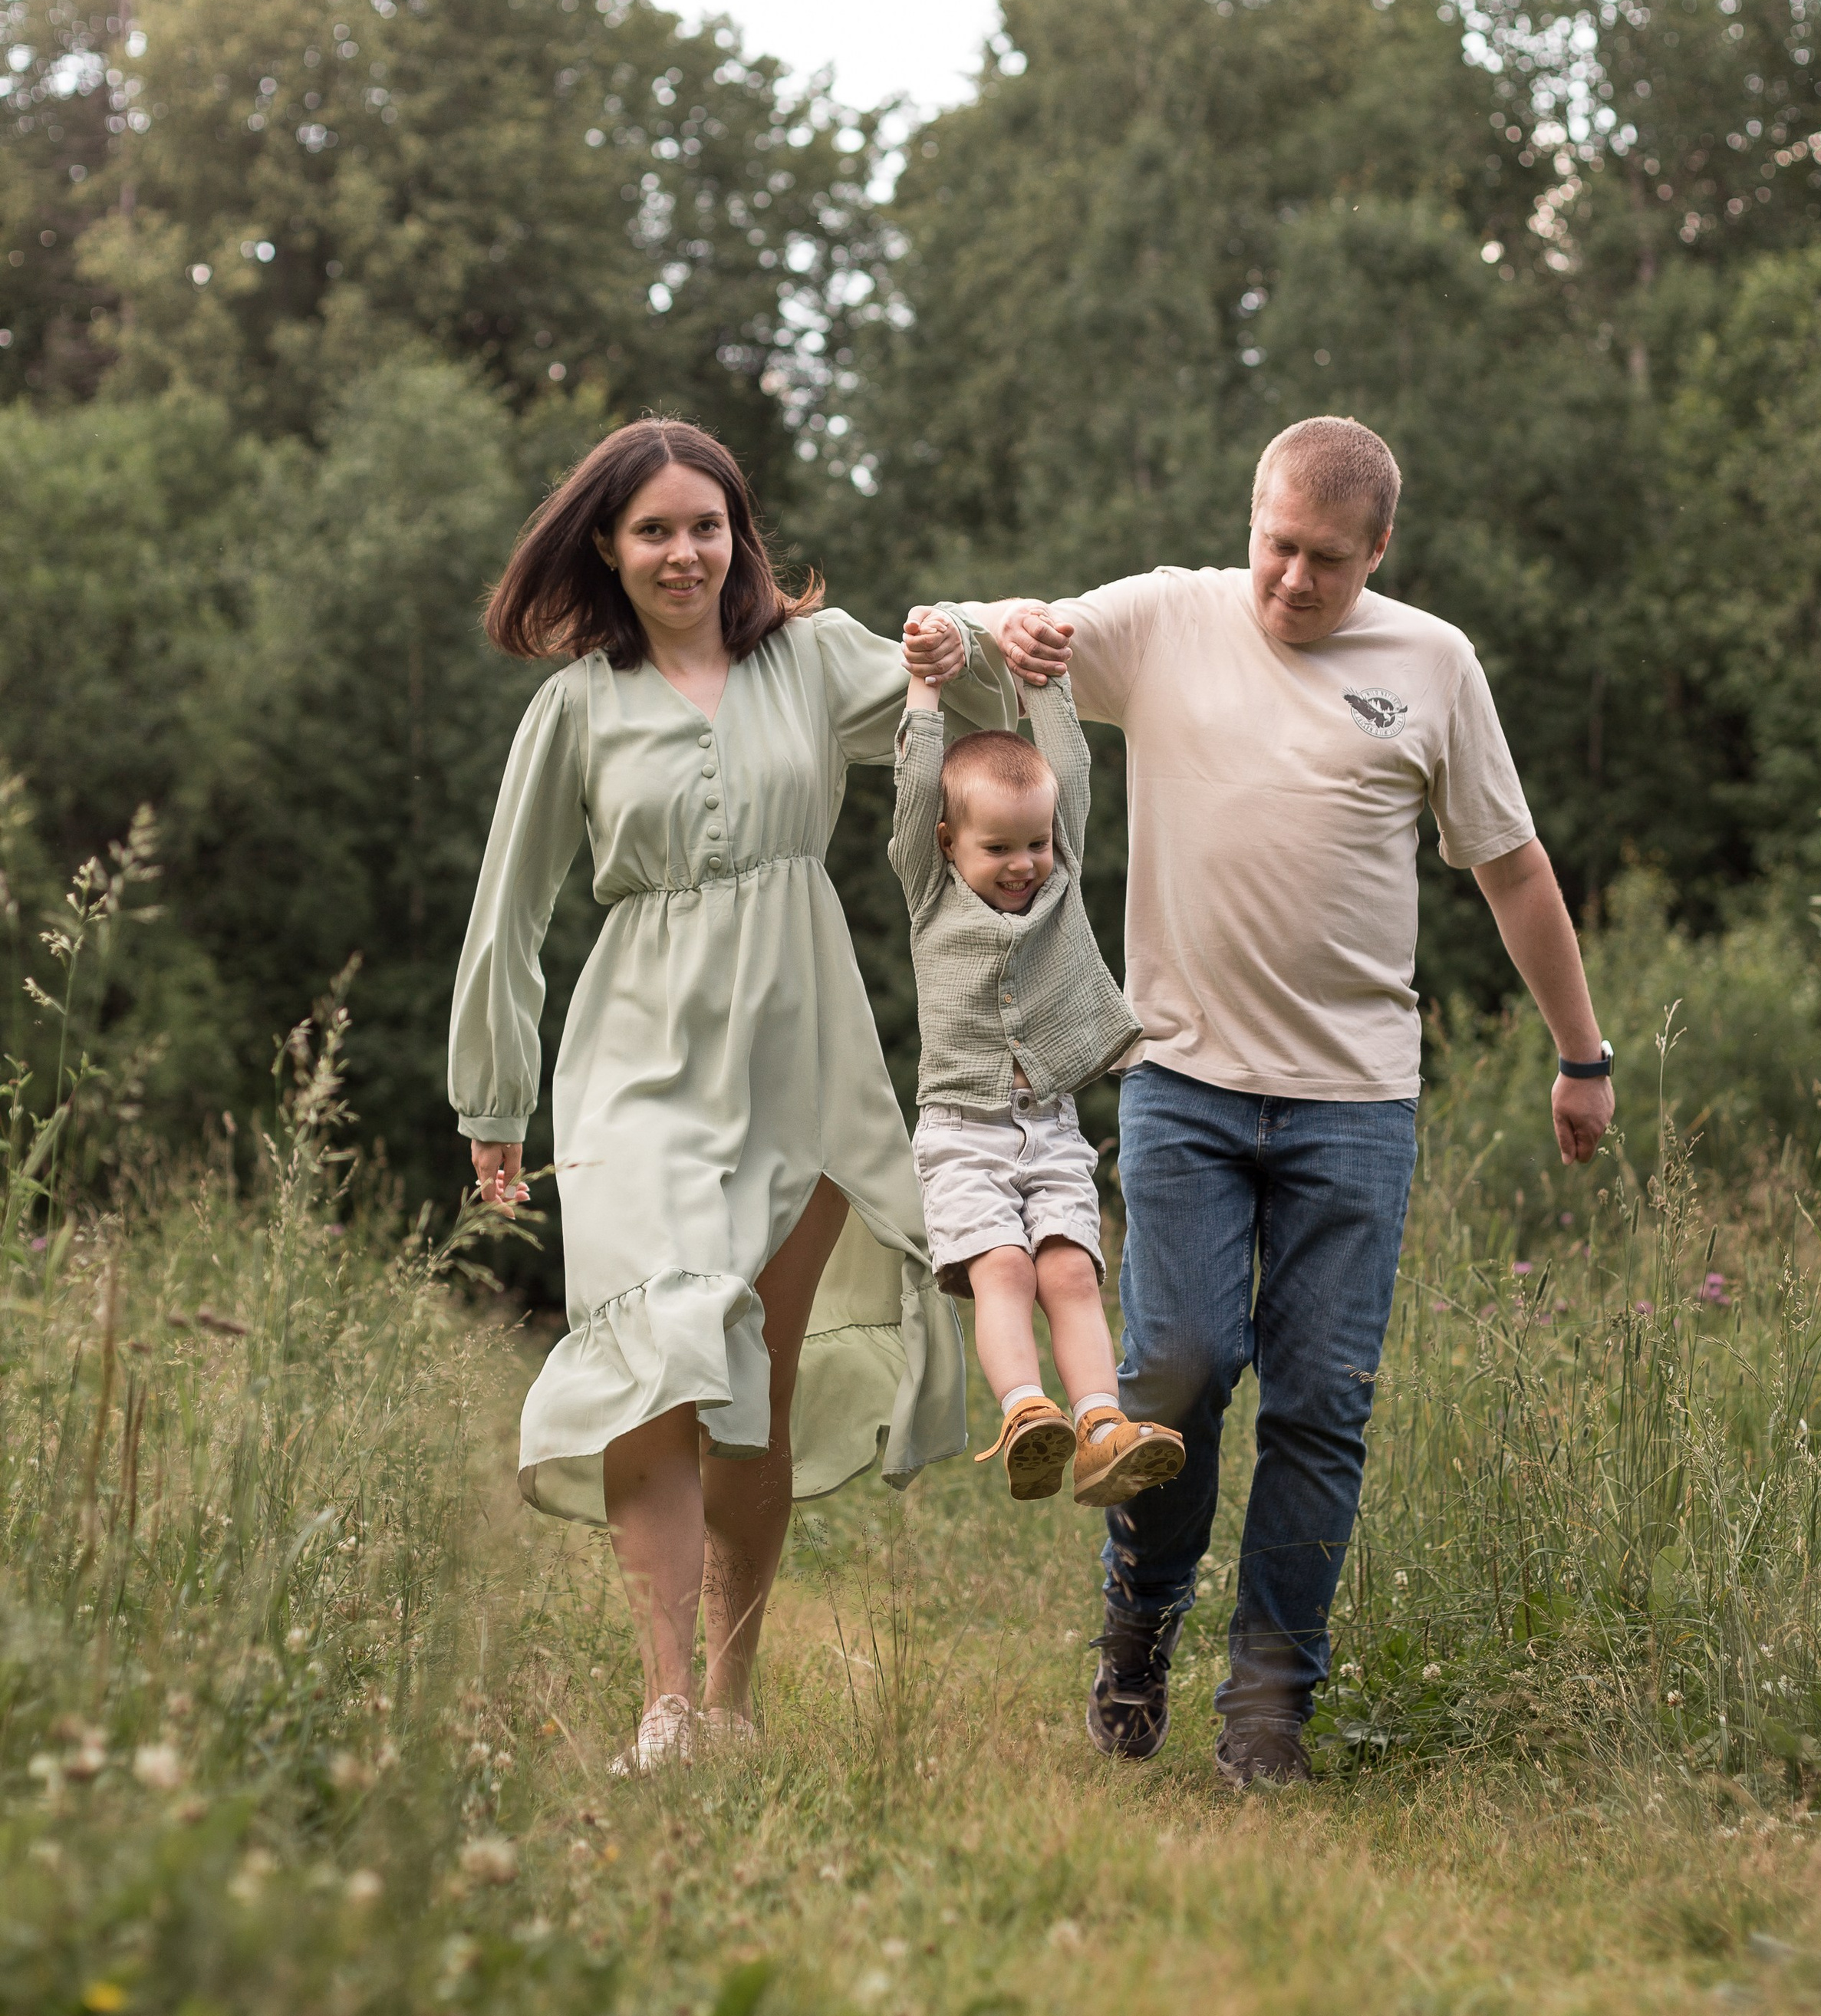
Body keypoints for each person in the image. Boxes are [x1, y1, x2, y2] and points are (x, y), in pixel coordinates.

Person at [970, 415, 1616, 1787]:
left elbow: (1511, 868)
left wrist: (1583, 1054)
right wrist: (1001, 623)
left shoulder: (1432, 665)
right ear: (1248, 521)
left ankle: (1269, 1701)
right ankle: (1139, 1626)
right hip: (1184, 1084)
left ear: (1379, 551)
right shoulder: (1163, 623)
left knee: (1323, 1403)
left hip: (1355, 1105)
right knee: (1180, 1372)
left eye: (1328, 560)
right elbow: (998, 639)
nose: (1292, 582)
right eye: (1276, 547)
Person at [449, 417, 1015, 1774]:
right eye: (654, 529)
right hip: (635, 1060)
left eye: (706, 525)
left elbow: (975, 721)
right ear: (608, 545)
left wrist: (970, 645)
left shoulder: (813, 661)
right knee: (657, 1352)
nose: (684, 551)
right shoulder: (576, 707)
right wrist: (493, 1104)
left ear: (738, 535)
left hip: (800, 1057)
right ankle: (660, 1707)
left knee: (743, 1381)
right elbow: (507, 914)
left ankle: (734, 1698)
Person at [890, 614, 1184, 1506]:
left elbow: (1075, 773)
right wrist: (925, 689)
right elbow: (913, 788)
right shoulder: (927, 891)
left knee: (1068, 1269)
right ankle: (1028, 1415)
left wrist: (1043, 681)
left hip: (1051, 1126)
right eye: (998, 848)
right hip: (960, 1133)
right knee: (1006, 1271)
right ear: (948, 844)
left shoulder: (1061, 882)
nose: (1024, 865)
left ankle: (1100, 1423)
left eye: (1035, 843)